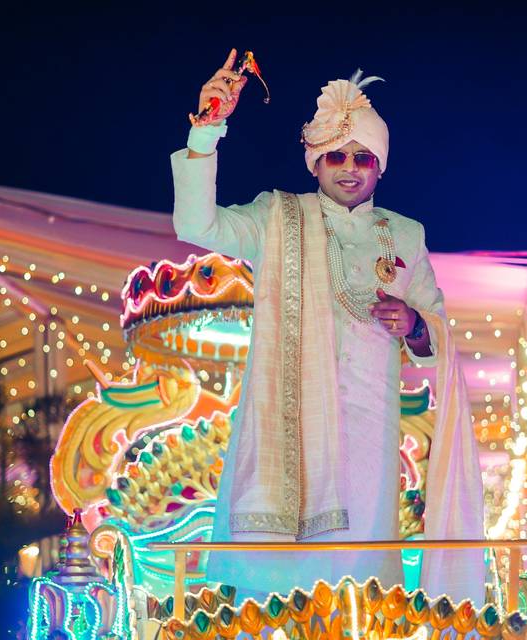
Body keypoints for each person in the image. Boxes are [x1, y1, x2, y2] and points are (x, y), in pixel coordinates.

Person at [171, 49, 485, 603]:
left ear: (380, 167)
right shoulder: (277, 217)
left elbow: (436, 341)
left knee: (357, 585)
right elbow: (197, 225)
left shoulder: (405, 235)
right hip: (285, 425)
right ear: (315, 163)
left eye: (363, 158)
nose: (348, 167)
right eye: (335, 156)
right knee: (276, 594)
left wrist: (413, 324)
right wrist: (207, 130)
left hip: (369, 432)